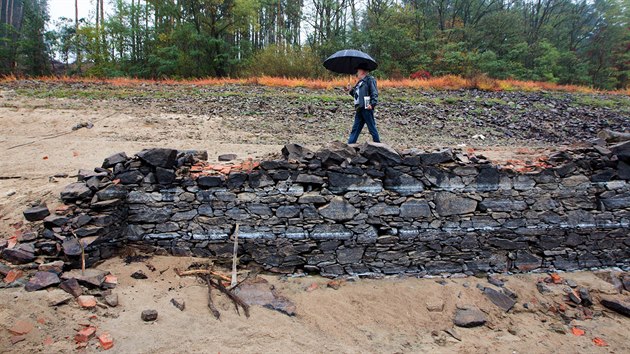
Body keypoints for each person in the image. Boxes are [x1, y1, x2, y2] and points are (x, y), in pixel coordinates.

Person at [346, 64, 380, 144]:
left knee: (372, 128)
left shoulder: (370, 80)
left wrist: (372, 104)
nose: (357, 72)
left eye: (358, 70)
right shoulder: (360, 83)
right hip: (359, 108)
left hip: (367, 108)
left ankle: (380, 147)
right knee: (355, 128)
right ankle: (349, 147)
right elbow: (356, 95)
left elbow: (374, 93)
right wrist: (350, 90)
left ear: (362, 71)